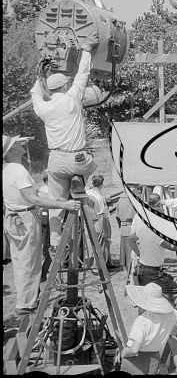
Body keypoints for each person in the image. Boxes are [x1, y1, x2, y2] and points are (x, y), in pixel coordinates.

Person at [30, 31, 100, 253]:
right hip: (77, 158)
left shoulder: (44, 107)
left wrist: (40, 76)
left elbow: (35, 93)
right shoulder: (72, 99)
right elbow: (83, 73)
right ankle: (80, 184)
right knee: (92, 163)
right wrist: (86, 50)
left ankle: (55, 241)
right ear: (63, 87)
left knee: (55, 201)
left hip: (56, 160)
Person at [3, 135, 80, 315]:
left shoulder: (7, 169)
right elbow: (34, 199)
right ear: (12, 150)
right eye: (16, 142)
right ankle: (26, 305)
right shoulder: (19, 171)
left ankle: (25, 300)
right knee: (29, 262)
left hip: (13, 217)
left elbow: (33, 194)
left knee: (21, 261)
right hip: (24, 218)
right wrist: (64, 205)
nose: (21, 143)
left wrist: (57, 199)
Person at [121, 283, 177, 374]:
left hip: (136, 360)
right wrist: (170, 326)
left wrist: (124, 353)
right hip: (154, 359)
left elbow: (134, 350)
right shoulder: (171, 314)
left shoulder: (142, 320)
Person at [129, 193, 177, 306]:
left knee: (169, 282)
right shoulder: (156, 232)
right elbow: (174, 247)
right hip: (151, 272)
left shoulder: (144, 225)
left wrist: (139, 253)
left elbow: (130, 239)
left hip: (143, 266)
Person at [86, 175, 116, 268]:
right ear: (102, 184)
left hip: (89, 221)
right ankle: (98, 267)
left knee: (94, 244)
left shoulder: (88, 192)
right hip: (99, 222)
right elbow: (102, 216)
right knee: (102, 244)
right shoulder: (98, 198)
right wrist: (105, 231)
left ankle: (106, 262)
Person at [116, 188, 137, 269]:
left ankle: (125, 266)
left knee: (124, 248)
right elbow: (135, 216)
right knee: (131, 249)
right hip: (131, 226)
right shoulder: (132, 201)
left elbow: (117, 216)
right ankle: (130, 266)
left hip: (123, 226)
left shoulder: (120, 200)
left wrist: (120, 225)